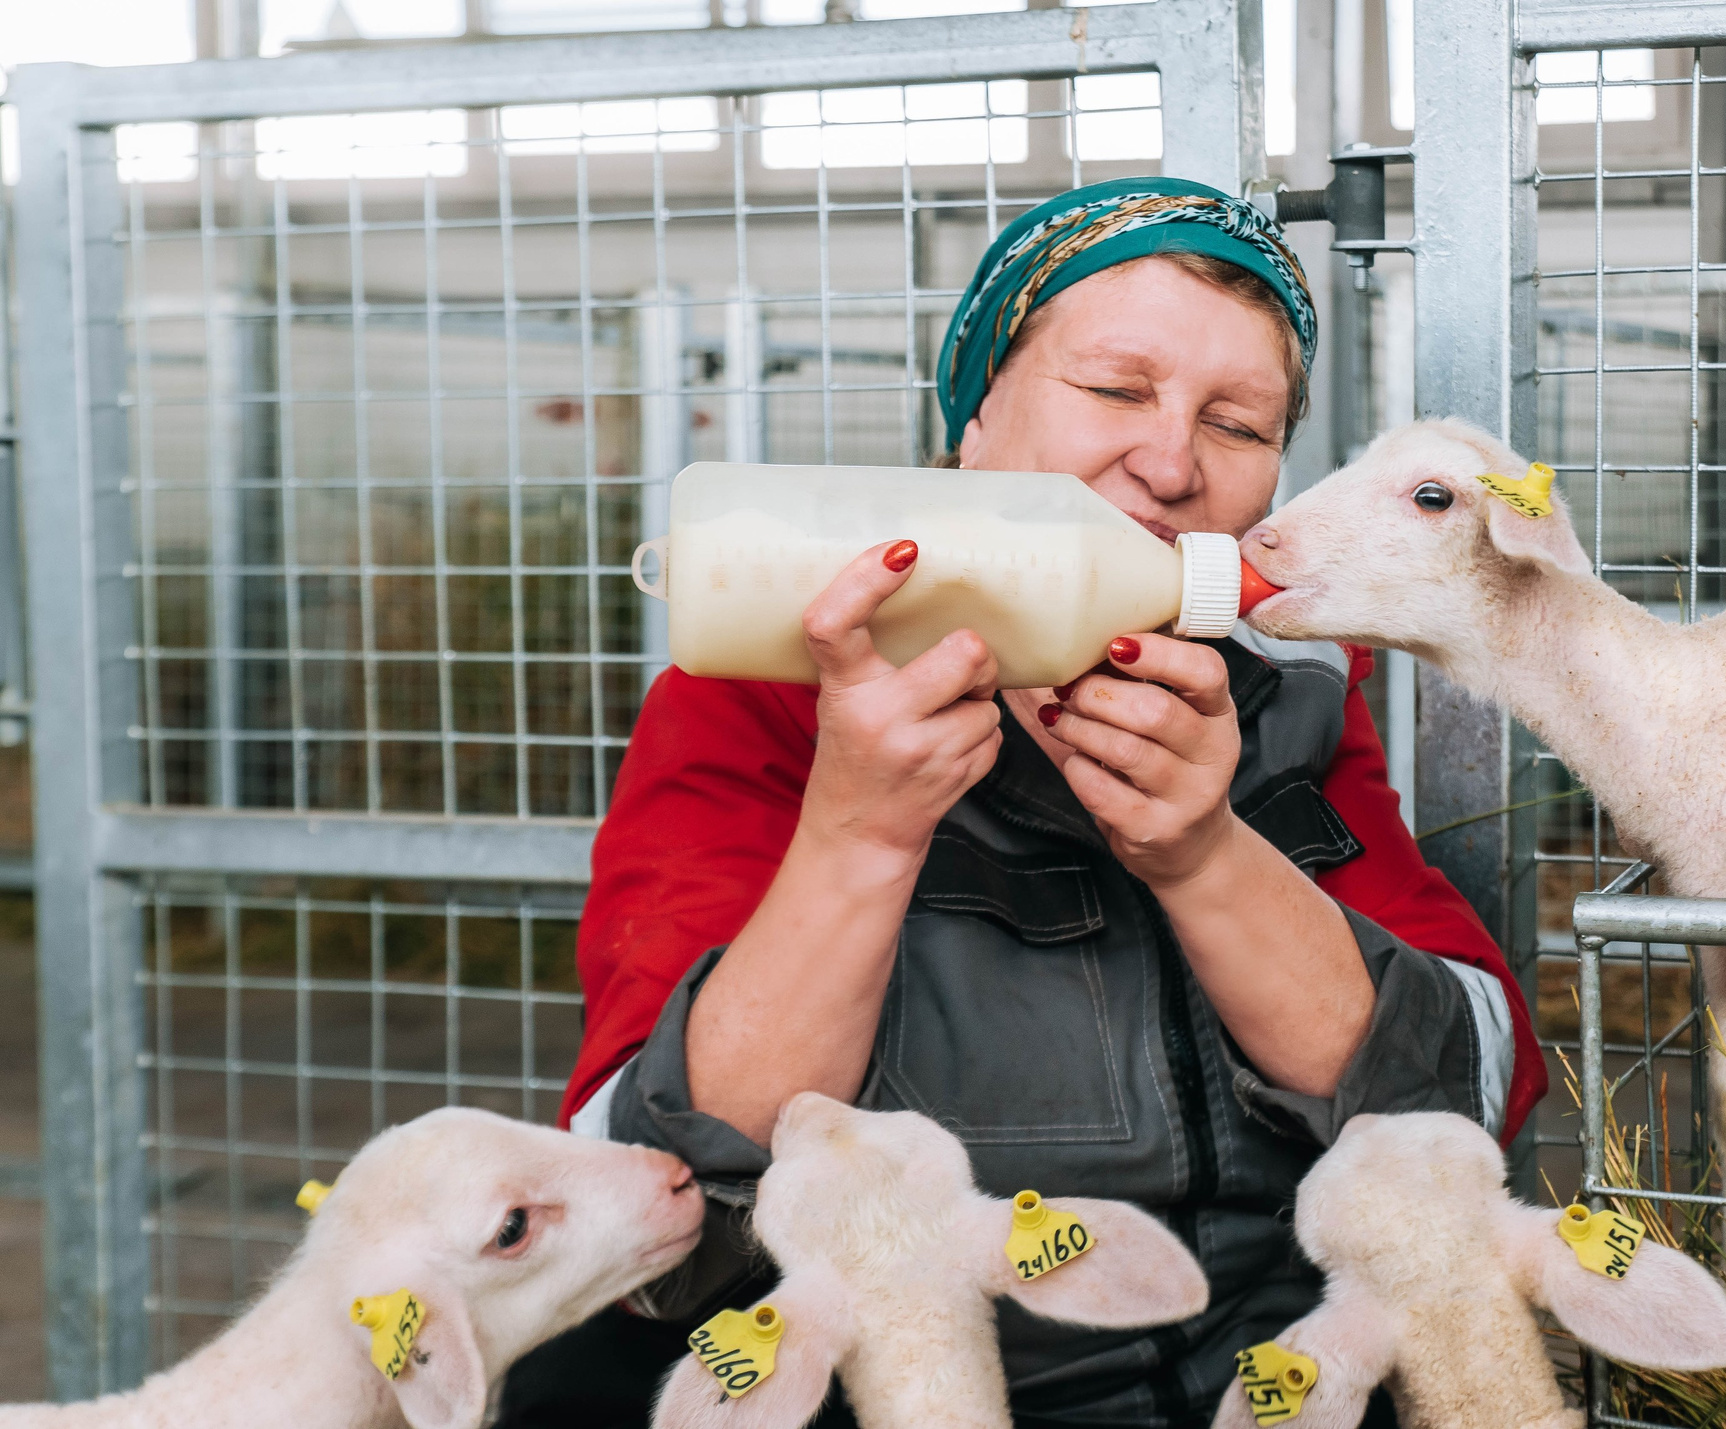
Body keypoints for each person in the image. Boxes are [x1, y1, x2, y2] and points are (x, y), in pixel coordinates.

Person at [497, 176, 1543, 1429]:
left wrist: (1206, 853)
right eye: (1114, 389)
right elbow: (663, 1184)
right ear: (977, 418)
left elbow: (1469, 1090)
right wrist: (861, 832)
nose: (1168, 462)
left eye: (1239, 422)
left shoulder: (1291, 694)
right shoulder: (758, 695)